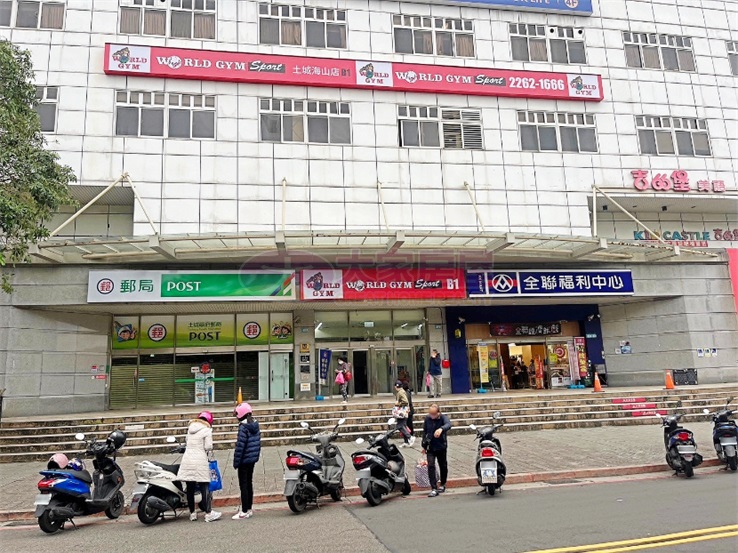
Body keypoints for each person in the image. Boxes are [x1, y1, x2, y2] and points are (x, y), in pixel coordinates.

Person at [177, 411, 221, 522]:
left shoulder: (190, 429)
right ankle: (208, 513)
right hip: (200, 460)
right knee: (204, 485)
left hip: (187, 460)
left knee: (190, 487)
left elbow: (187, 442)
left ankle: (192, 513)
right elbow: (208, 446)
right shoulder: (207, 430)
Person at [232, 402, 261, 520]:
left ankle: (244, 511)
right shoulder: (255, 425)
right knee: (249, 483)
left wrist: (236, 462)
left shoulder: (243, 428)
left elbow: (240, 447)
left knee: (243, 485)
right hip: (252, 459)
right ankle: (249, 508)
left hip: (244, 460)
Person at [422, 404, 452, 497]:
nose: (432, 416)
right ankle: (434, 488)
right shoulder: (427, 419)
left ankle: (443, 484)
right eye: (430, 414)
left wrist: (441, 429)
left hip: (441, 446)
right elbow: (425, 432)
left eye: (434, 414)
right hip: (430, 446)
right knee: (431, 465)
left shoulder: (443, 418)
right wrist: (423, 446)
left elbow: (448, 425)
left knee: (443, 465)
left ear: (438, 413)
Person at [393, 380, 415, 446]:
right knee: (403, 425)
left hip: (402, 412)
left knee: (400, 426)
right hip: (404, 412)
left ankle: (410, 437)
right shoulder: (402, 391)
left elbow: (405, 401)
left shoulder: (400, 392)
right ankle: (407, 441)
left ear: (395, 386)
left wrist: (398, 404)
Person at [401, 381, 415, 447]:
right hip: (408, 411)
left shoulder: (406, 393)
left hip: (408, 411)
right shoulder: (407, 392)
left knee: (407, 425)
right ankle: (408, 438)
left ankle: (409, 438)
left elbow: (406, 403)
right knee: (408, 425)